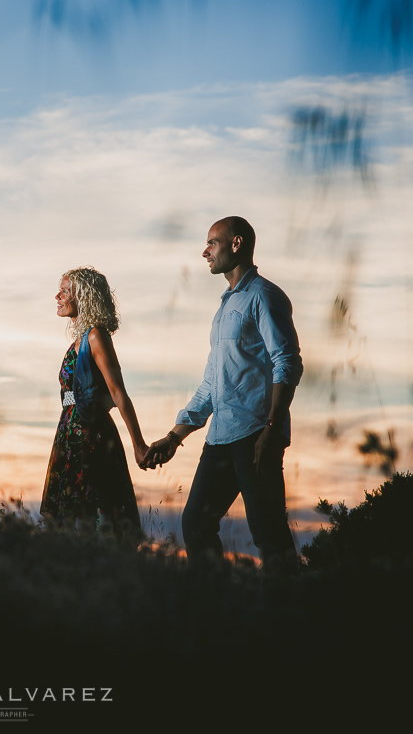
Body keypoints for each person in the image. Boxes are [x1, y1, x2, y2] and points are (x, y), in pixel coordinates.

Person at [141, 217, 302, 568]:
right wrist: (174, 436)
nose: (205, 252)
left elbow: (287, 361)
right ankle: (216, 606)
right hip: (219, 439)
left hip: (255, 434)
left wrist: (272, 428)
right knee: (196, 525)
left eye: (212, 242)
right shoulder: (225, 308)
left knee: (268, 532)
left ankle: (291, 610)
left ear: (236, 243)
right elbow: (213, 384)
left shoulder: (264, 296)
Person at [41, 267, 147, 538]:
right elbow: (71, 397)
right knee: (69, 523)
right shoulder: (78, 339)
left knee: (91, 517)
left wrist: (138, 444)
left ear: (84, 296)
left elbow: (118, 392)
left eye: (65, 291)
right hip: (69, 432)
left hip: (91, 436)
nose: (57, 296)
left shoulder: (95, 336)